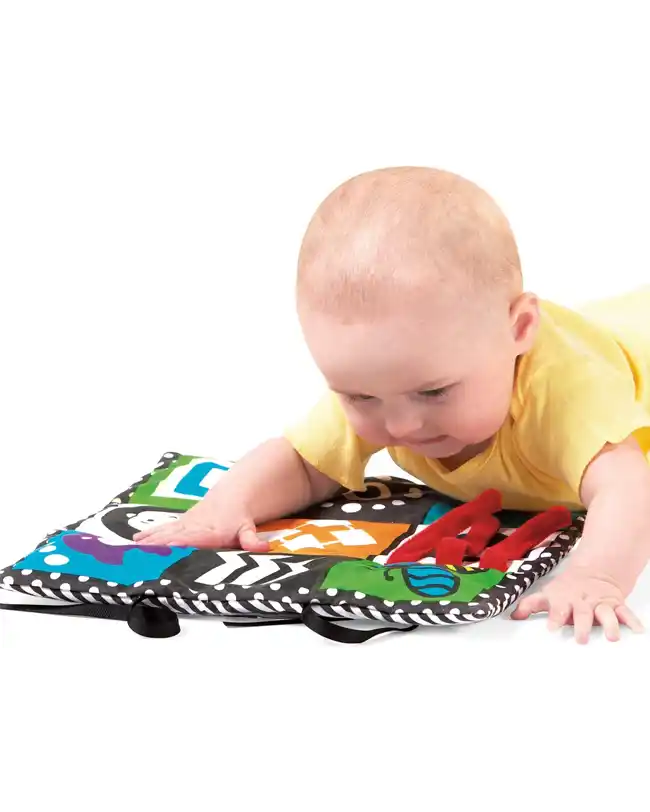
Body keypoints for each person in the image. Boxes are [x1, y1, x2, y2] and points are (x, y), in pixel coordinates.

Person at [135, 166, 650, 642]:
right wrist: (226, 508)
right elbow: (301, 461)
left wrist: (596, 575)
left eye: (434, 392)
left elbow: (627, 485)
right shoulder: (395, 372)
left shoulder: (568, 391)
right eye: (361, 397)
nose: (402, 423)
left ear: (518, 331)